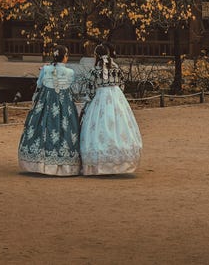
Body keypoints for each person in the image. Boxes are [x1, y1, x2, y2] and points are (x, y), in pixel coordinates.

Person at [78, 43, 143, 176]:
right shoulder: (116, 68)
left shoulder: (94, 71)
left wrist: (89, 102)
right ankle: (120, 162)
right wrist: (116, 94)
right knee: (119, 126)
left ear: (96, 55)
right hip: (116, 98)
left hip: (100, 97)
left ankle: (99, 163)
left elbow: (90, 90)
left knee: (99, 127)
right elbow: (122, 84)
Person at [18, 45, 81, 176]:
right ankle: (64, 164)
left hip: (45, 102)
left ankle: (39, 163)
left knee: (43, 127)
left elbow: (39, 84)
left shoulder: (45, 69)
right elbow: (73, 89)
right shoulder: (70, 72)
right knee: (65, 128)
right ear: (64, 57)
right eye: (67, 55)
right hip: (64, 104)